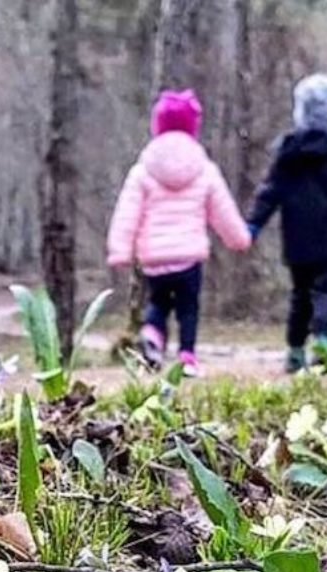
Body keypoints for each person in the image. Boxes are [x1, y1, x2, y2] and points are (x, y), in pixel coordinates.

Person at [106, 89, 251, 377]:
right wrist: (239, 238)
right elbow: (221, 209)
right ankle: (186, 357)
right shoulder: (203, 168)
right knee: (188, 308)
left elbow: (127, 212)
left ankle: (152, 335)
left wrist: (120, 249)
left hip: (155, 259)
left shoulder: (143, 170)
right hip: (188, 257)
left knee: (158, 303)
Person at [247, 74, 327, 373]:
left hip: (296, 241)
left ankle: (295, 351)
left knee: (300, 296)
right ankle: (324, 341)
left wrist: (252, 226)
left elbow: (269, 193)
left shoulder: (287, 155)